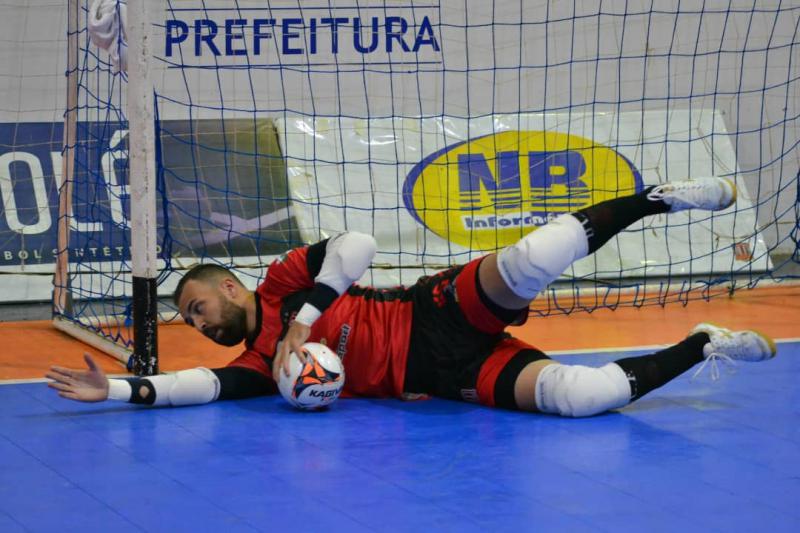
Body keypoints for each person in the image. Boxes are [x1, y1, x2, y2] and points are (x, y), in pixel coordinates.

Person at [47, 178, 776, 417]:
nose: (198, 325)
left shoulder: (280, 284)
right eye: (191, 321)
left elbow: (358, 244)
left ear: (228, 288)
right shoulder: (259, 364)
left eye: (198, 309)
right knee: (585, 399)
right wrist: (113, 388)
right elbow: (191, 386)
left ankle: (658, 200)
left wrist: (304, 317)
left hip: (433, 309)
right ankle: (705, 343)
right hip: (441, 375)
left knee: (534, 257)